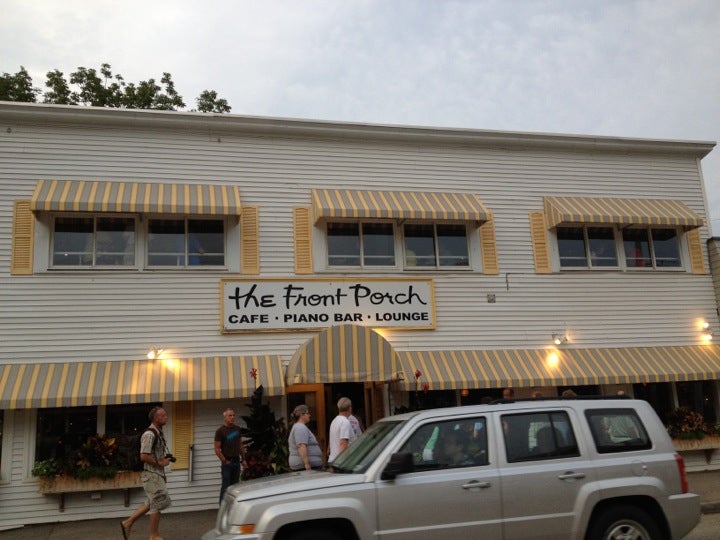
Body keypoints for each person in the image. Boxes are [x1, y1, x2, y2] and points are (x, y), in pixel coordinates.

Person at [121, 406, 172, 540]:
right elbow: (143, 456)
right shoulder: (149, 434)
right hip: (150, 474)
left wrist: (162, 472)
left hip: (156, 474)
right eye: (163, 415)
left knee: (153, 501)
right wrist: (160, 464)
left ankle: (128, 523)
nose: (166, 417)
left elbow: (157, 455)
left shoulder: (159, 432)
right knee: (158, 501)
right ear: (156, 418)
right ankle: (153, 535)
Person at [214, 407, 247, 504]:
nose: (232, 417)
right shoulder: (220, 431)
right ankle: (222, 507)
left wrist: (243, 459)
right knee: (226, 486)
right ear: (225, 418)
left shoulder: (237, 429)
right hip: (227, 463)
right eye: (230, 415)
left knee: (235, 486)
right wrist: (225, 460)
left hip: (236, 461)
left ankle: (233, 507)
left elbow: (240, 444)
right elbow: (217, 449)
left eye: (233, 415)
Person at [288, 404, 323, 471]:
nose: (309, 415)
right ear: (302, 415)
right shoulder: (300, 427)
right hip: (304, 467)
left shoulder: (299, 427)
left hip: (304, 466)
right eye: (307, 413)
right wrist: (307, 464)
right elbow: (301, 446)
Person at [328, 397, 353, 463]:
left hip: (332, 460)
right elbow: (343, 443)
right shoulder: (345, 422)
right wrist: (341, 462)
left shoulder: (334, 421)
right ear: (350, 408)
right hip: (341, 462)